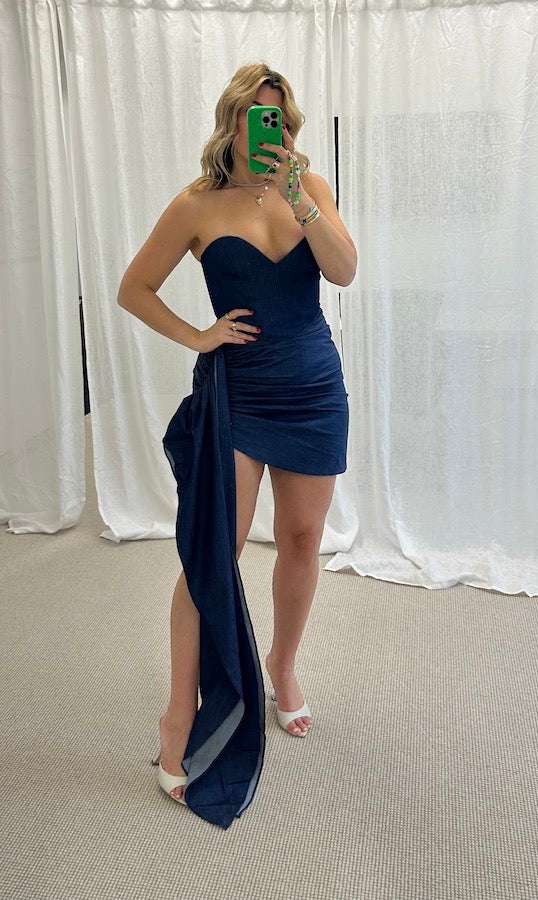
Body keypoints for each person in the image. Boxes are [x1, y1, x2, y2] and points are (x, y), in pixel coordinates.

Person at [117, 62, 356, 827]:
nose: (267, 129)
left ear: (289, 124)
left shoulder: (309, 189)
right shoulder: (196, 203)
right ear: (232, 120)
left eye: (277, 116)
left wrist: (298, 196)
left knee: (302, 538)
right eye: (256, 115)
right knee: (211, 552)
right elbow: (133, 288)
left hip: (312, 387)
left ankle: (283, 665)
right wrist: (198, 336)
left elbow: (345, 271)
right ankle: (178, 717)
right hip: (240, 394)